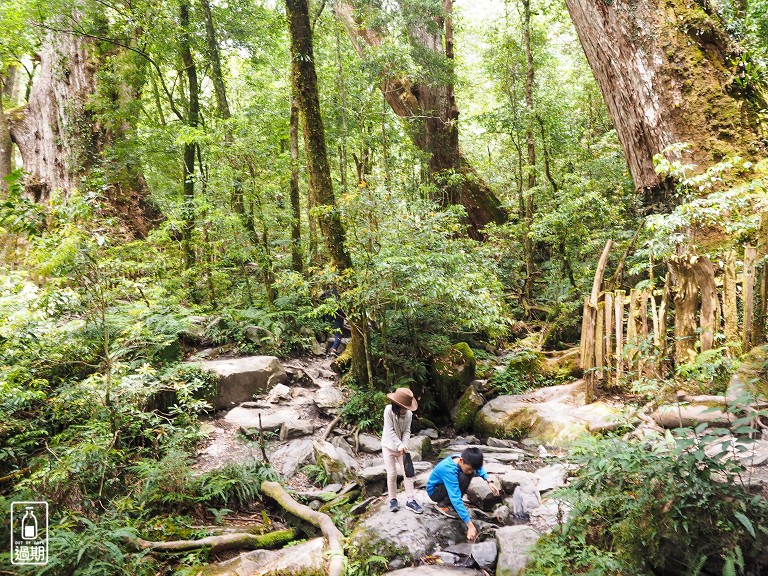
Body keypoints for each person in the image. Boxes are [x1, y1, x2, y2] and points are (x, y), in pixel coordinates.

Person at [426, 447, 500, 541]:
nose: (470, 471)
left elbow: (478, 468)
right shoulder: (449, 469)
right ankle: (443, 504)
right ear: (461, 460)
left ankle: (450, 503)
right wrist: (470, 526)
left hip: (444, 487)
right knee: (463, 477)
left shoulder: (463, 460)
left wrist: (489, 480)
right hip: (435, 491)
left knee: (468, 474)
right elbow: (455, 497)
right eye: (469, 468)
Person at [381, 388, 423, 514]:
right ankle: (393, 500)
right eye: (402, 407)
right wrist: (399, 445)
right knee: (392, 474)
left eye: (406, 407)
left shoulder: (409, 415)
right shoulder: (388, 411)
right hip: (388, 446)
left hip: (402, 449)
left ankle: (410, 500)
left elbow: (407, 431)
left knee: (408, 473)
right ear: (396, 405)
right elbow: (390, 430)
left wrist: (404, 445)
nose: (405, 410)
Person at [319, 285, 345, 356]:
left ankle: (325, 332)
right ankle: (334, 349)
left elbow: (320, 299)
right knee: (338, 334)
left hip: (329, 314)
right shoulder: (342, 293)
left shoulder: (328, 292)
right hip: (339, 314)